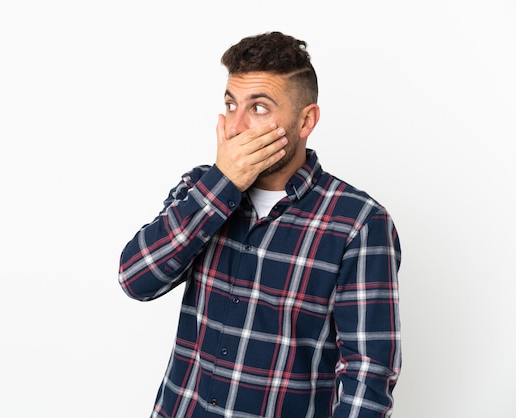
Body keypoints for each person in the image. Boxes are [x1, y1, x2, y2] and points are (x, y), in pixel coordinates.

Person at [118, 31, 402, 418]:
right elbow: (136, 279)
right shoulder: (200, 190)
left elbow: (368, 374)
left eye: (259, 108)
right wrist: (222, 186)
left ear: (306, 121)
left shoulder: (359, 223)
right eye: (230, 104)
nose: (235, 128)